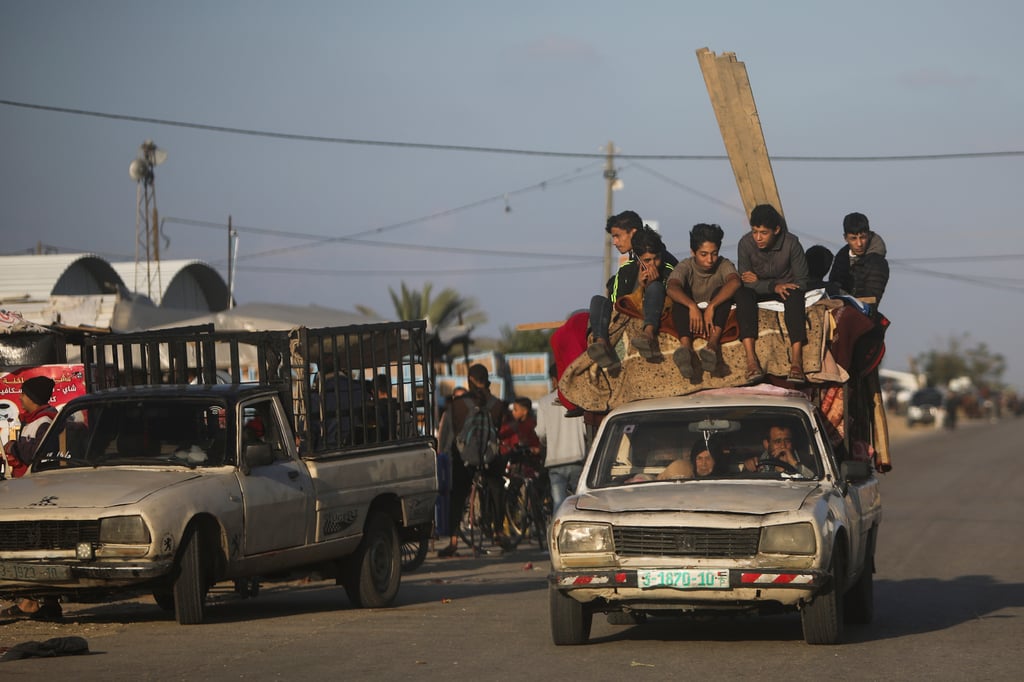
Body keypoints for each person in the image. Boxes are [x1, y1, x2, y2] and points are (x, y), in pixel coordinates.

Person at [1, 375, 63, 621]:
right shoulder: (33, 421)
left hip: (38, 492)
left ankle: (35, 602)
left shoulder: (44, 421)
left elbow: (35, 454)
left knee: (37, 544)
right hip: (29, 489)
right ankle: (36, 601)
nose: (19, 398)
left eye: (23, 394)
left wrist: (13, 448)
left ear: (33, 398)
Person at [435, 364, 507, 557]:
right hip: (488, 459)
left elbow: (448, 438)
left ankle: (453, 541)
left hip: (462, 460)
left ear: (468, 380)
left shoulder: (456, 405)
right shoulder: (497, 404)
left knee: (457, 496)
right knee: (496, 486)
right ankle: (499, 531)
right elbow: (497, 434)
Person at [735, 204, 810, 385]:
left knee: (795, 296)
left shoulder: (792, 243)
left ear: (776, 230)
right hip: (761, 290)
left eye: (763, 233)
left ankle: (796, 361)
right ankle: (751, 360)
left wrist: (762, 283)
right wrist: (772, 285)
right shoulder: (745, 244)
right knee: (742, 294)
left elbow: (802, 281)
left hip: (785, 291)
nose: (758, 238)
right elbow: (745, 281)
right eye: (755, 232)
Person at [588, 227, 674, 366]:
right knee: (598, 300)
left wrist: (651, 286)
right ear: (638, 260)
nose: (652, 264)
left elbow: (672, 298)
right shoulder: (625, 271)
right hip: (629, 312)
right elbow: (617, 304)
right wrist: (639, 287)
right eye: (647, 260)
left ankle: (648, 334)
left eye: (656, 259)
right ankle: (601, 344)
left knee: (655, 287)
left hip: (657, 312)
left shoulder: (669, 270)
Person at [666, 223, 742, 379]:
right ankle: (686, 348)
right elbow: (672, 287)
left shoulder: (724, 264)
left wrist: (712, 306)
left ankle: (712, 346)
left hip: (715, 317)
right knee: (680, 297)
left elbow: (735, 282)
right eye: (704, 254)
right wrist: (691, 305)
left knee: (723, 293)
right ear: (693, 252)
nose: (710, 259)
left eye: (714, 253)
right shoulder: (685, 266)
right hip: (691, 317)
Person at [535, 364, 587, 513]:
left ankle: (556, 535)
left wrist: (550, 441)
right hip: (577, 458)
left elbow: (541, 433)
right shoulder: (577, 400)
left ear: (553, 380)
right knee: (580, 504)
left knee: (559, 505)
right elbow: (585, 431)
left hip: (555, 462)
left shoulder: (544, 402)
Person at [827, 211, 890, 307]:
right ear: (845, 238)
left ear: (868, 235)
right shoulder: (841, 256)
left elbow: (871, 301)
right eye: (853, 238)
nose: (859, 243)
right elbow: (833, 285)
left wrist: (842, 301)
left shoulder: (877, 263)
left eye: (863, 237)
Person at [741, 424, 815, 478]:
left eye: (787, 441)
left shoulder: (808, 461)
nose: (783, 446)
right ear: (766, 444)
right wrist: (748, 468)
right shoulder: (758, 464)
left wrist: (794, 464)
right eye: (777, 441)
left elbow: (815, 480)